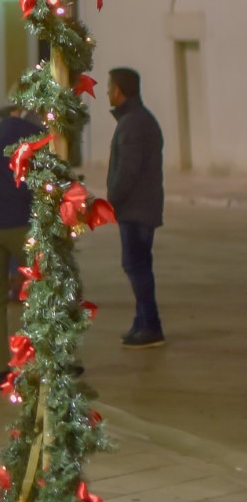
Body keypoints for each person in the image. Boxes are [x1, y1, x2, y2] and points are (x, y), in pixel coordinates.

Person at [0, 101, 41, 386]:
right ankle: (45, 362)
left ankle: (1, 368)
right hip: (18, 224)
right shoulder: (30, 133)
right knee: (42, 291)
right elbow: (35, 183)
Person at [107, 67, 165, 347]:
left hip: (136, 210)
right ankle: (142, 321)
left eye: (110, 87)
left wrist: (112, 201)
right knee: (140, 265)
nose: (107, 92)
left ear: (119, 91)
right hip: (142, 207)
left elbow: (127, 171)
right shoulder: (140, 119)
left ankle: (151, 325)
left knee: (136, 266)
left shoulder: (132, 124)